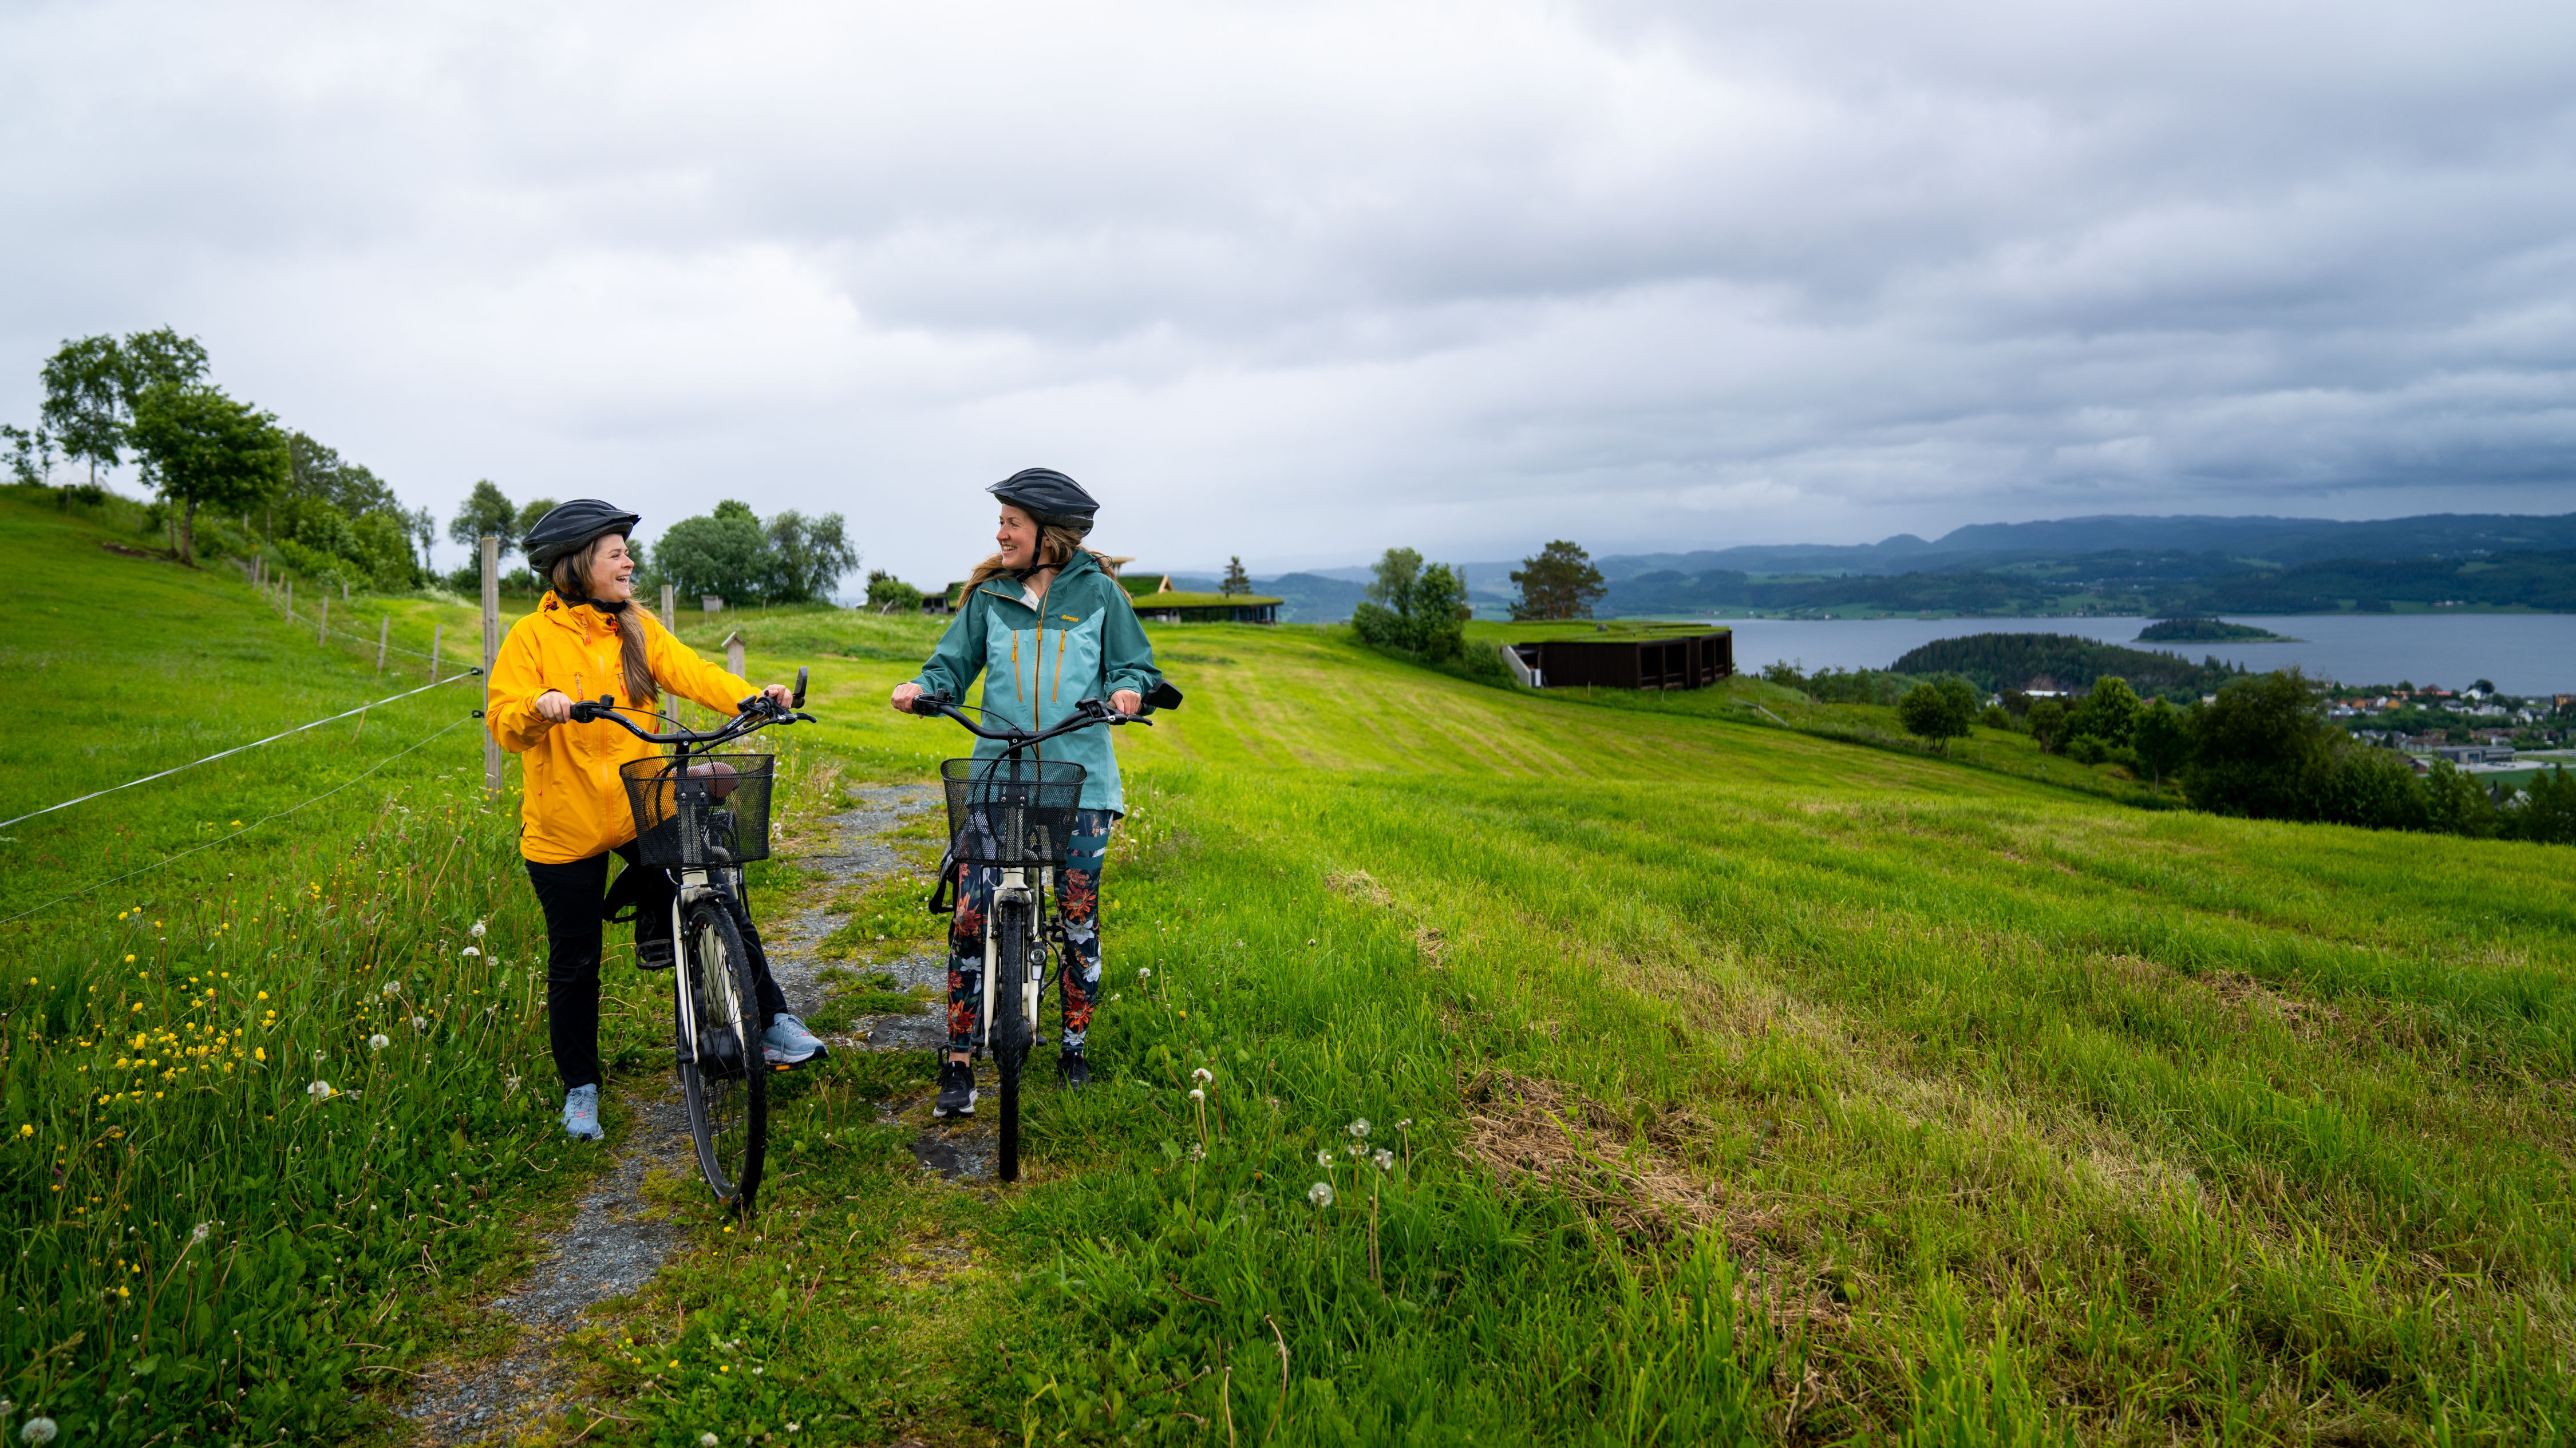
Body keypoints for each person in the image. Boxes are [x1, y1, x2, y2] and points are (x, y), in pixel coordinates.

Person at [488, 499, 829, 1142]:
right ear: (579, 564)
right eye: (617, 553)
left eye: (626, 552)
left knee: (720, 895)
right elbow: (504, 720)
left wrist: (753, 696)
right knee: (575, 962)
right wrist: (541, 704)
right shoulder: (530, 639)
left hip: (643, 805)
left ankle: (772, 1018)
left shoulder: (635, 628)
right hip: (566, 827)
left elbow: (692, 670)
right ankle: (581, 1089)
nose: (630, 562)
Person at [890, 468, 1163, 1117]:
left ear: (1048, 533)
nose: (1001, 532)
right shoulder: (988, 596)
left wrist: (1127, 689)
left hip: (1082, 783)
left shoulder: (1098, 594)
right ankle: (959, 1060)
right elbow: (951, 664)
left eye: (1012, 521)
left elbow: (1136, 665)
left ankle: (1074, 1048)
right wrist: (925, 688)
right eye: (1003, 521)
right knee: (969, 915)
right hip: (998, 778)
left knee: (1077, 919)